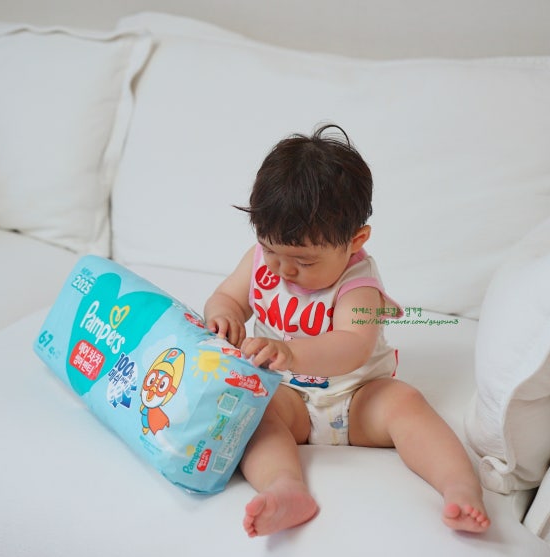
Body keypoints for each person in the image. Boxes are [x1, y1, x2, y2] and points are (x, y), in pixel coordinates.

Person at [203, 124, 490, 538]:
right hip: (288, 397)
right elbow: (227, 297)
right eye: (270, 250)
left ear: (355, 241)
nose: (283, 269)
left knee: (406, 404)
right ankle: (285, 487)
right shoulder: (260, 261)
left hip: (357, 399)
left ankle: (458, 486)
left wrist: (292, 352)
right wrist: (224, 316)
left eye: (304, 261)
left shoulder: (359, 284)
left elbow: (353, 346)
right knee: (253, 415)